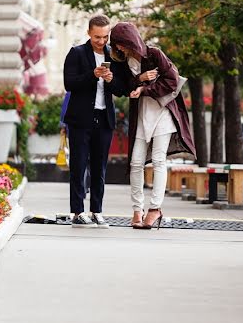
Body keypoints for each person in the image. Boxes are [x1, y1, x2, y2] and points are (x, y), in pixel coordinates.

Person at [108, 22, 196, 229]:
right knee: (136, 163)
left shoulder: (154, 54)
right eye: (116, 45)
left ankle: (155, 209)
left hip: (163, 113)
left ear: (130, 39)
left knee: (158, 160)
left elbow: (172, 81)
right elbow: (124, 86)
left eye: (121, 43)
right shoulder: (124, 61)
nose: (119, 48)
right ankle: (137, 210)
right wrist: (140, 78)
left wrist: (145, 89)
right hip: (142, 115)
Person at [62, 15, 124, 228]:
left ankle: (97, 210)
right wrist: (92, 75)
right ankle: (78, 211)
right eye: (97, 37)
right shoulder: (76, 53)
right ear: (89, 33)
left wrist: (111, 79)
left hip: (104, 118)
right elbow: (69, 83)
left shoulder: (113, 57)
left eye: (105, 36)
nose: (101, 41)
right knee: (79, 166)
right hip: (80, 119)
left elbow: (121, 89)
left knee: (100, 168)